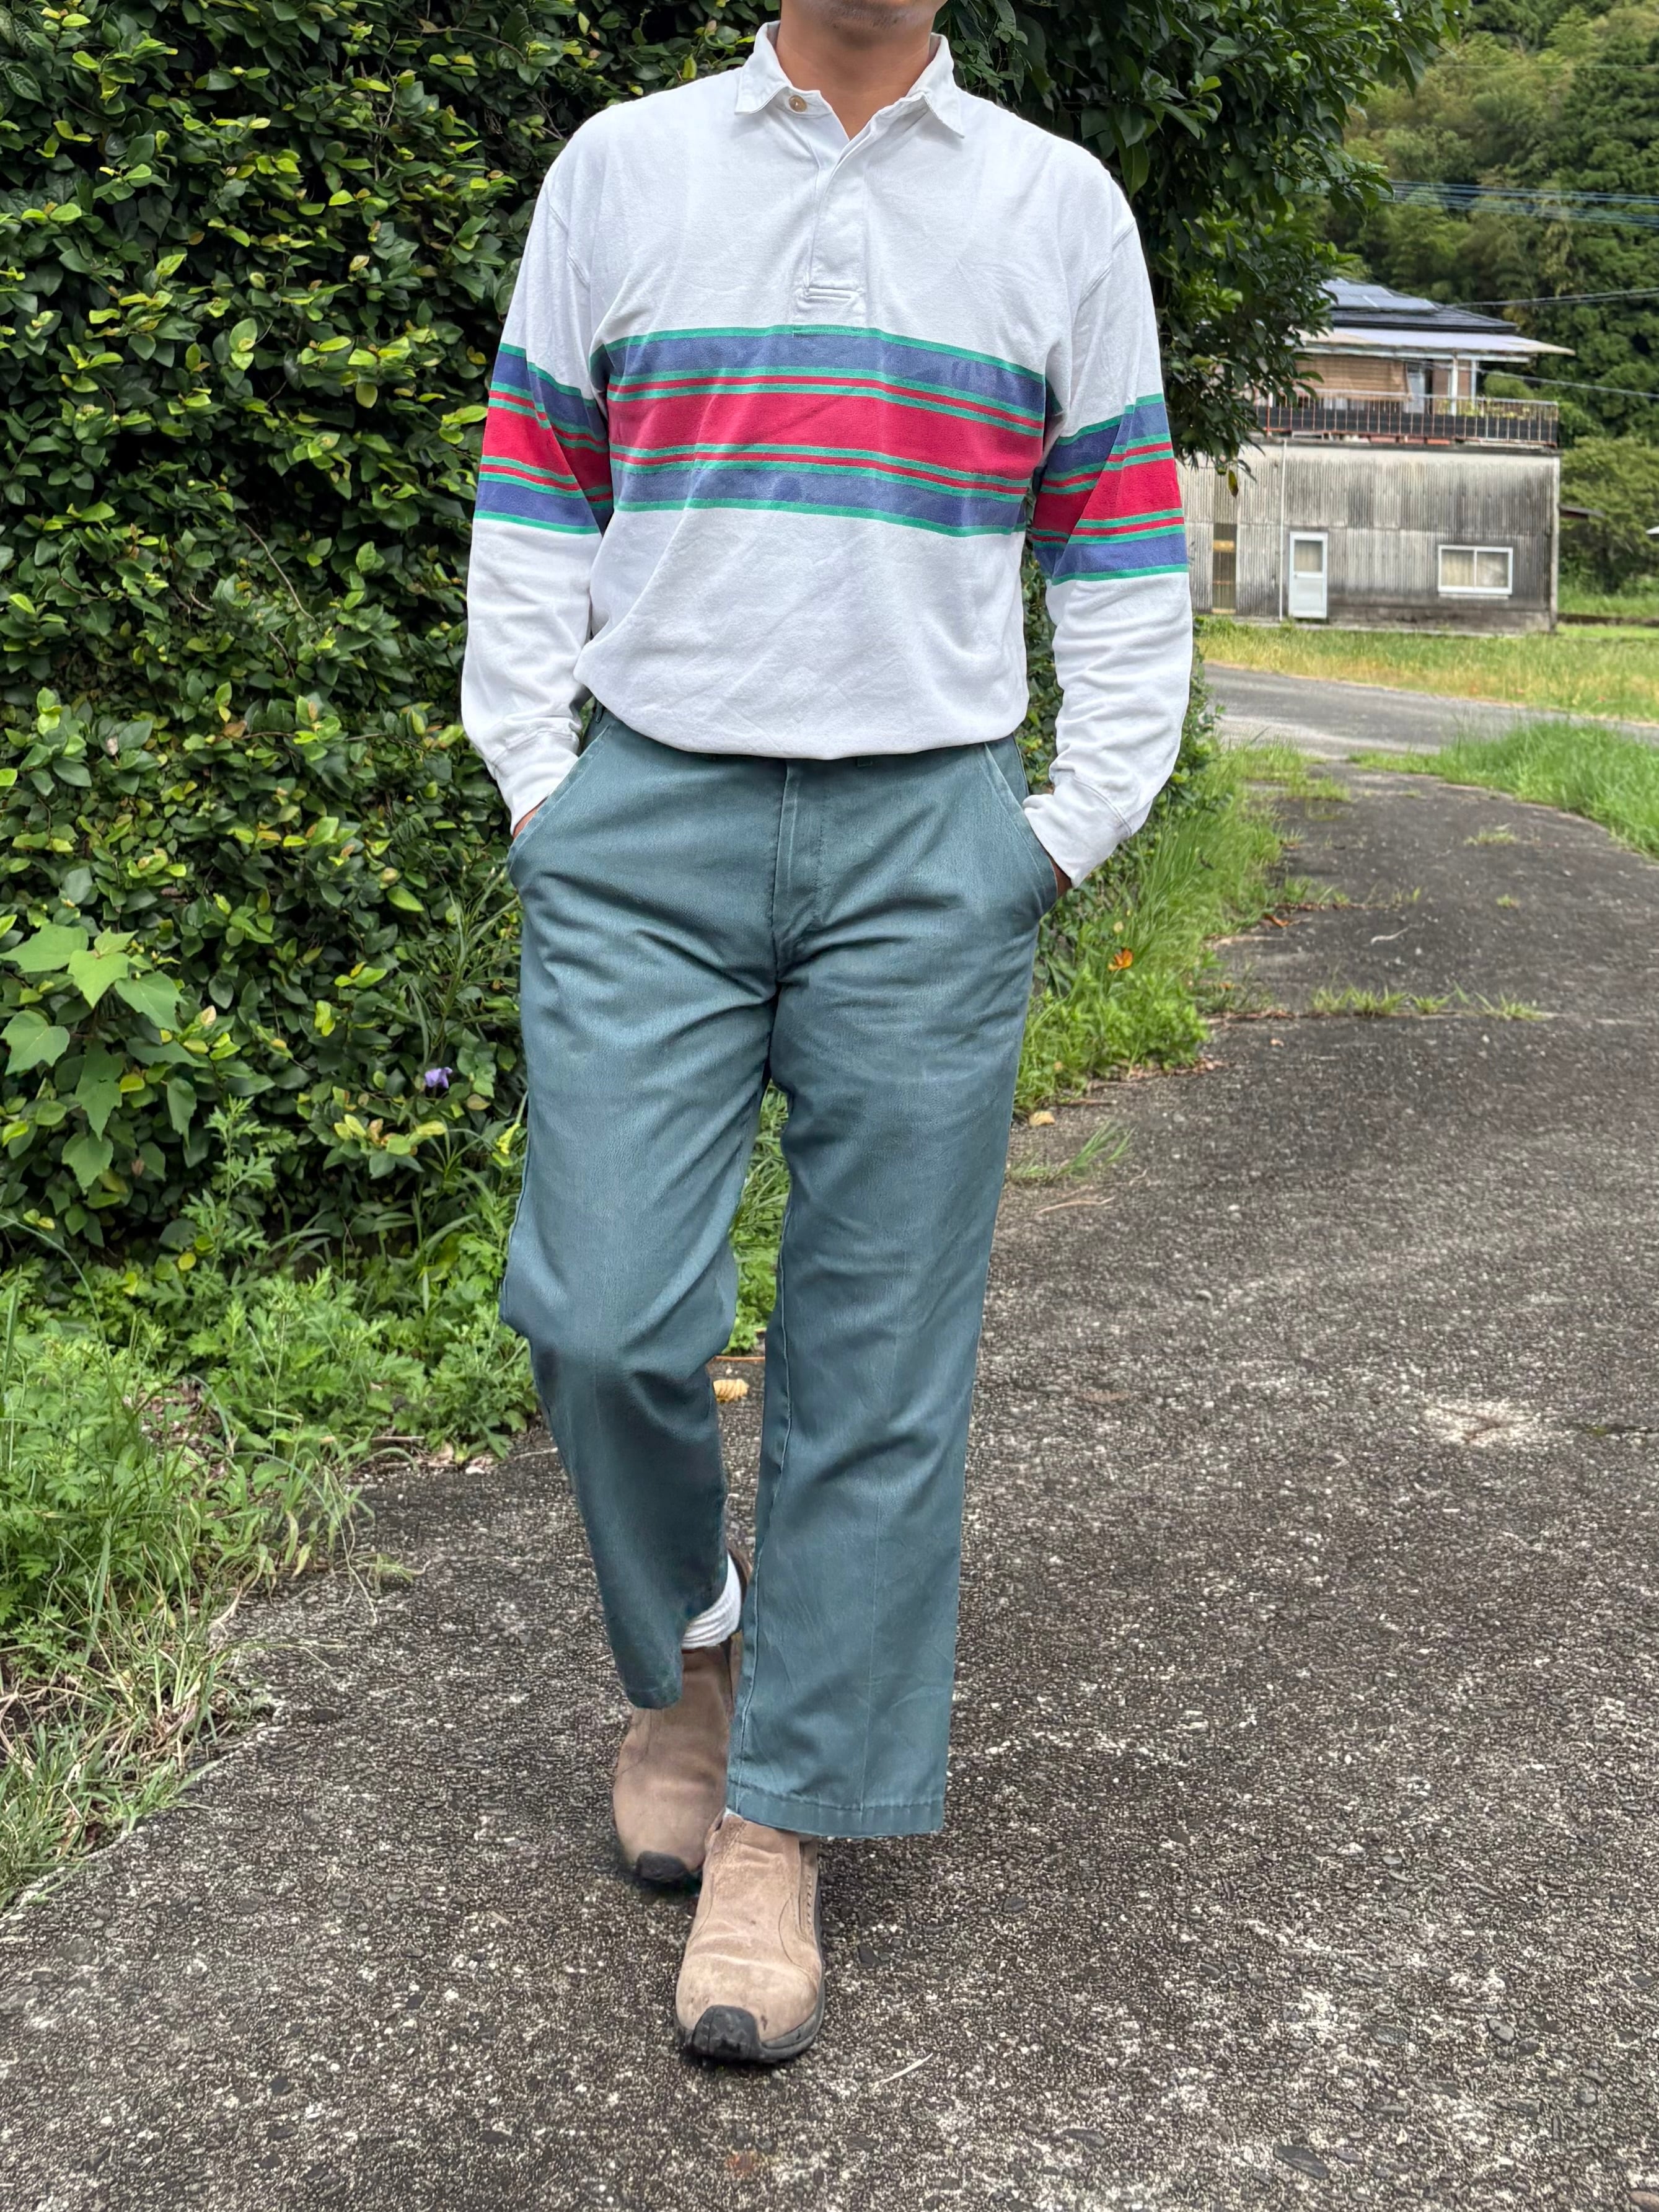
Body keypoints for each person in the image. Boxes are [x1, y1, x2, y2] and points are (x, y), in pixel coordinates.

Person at [461, 0, 1191, 2064]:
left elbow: (1122, 548)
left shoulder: (1058, 204)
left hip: (928, 836)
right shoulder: (625, 168)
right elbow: (536, 490)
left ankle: (779, 1822)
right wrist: (542, 783)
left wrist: (1058, 831)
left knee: (880, 1366)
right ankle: (698, 1664)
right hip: (648, 817)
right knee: (603, 1311)